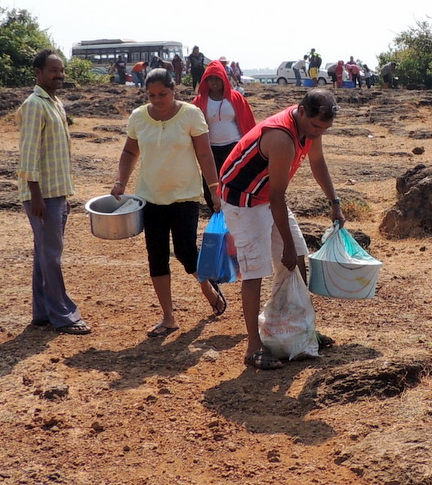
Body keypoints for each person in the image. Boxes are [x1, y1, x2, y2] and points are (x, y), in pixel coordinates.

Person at [219, 88, 345, 370]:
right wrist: (284, 244)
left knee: (297, 257)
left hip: (267, 196)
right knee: (256, 270)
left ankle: (299, 330)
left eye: (324, 129)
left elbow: (318, 162)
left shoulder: (311, 130)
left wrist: (334, 202)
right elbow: (277, 197)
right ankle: (253, 347)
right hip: (245, 200)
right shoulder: (281, 138)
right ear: (301, 111)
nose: (317, 134)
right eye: (314, 126)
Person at [110, 69, 227, 338]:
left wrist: (214, 189)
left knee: (186, 252)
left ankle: (208, 287)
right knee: (157, 256)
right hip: (149, 197)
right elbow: (130, 151)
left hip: (184, 195)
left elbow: (204, 153)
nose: (157, 99)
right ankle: (168, 317)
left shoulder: (190, 114)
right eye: (151, 95)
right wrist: (120, 182)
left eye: (162, 94)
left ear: (174, 90)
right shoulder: (139, 117)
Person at [17, 50, 91, 335]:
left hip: (55, 192)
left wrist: (63, 196)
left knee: (43, 254)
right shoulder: (35, 105)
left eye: (61, 70)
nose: (59, 75)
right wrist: (36, 196)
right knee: (51, 255)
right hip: (43, 195)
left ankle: (42, 313)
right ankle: (63, 315)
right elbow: (29, 155)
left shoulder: (55, 103)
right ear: (38, 72)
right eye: (53, 70)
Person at [192, 60, 256, 210]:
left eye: (217, 78)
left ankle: (235, 213)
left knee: (234, 182)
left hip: (234, 147)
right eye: (211, 79)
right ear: (205, 80)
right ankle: (216, 212)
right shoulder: (199, 101)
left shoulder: (236, 98)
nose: (214, 82)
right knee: (211, 184)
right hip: (210, 150)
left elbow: (248, 122)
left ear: (224, 79)